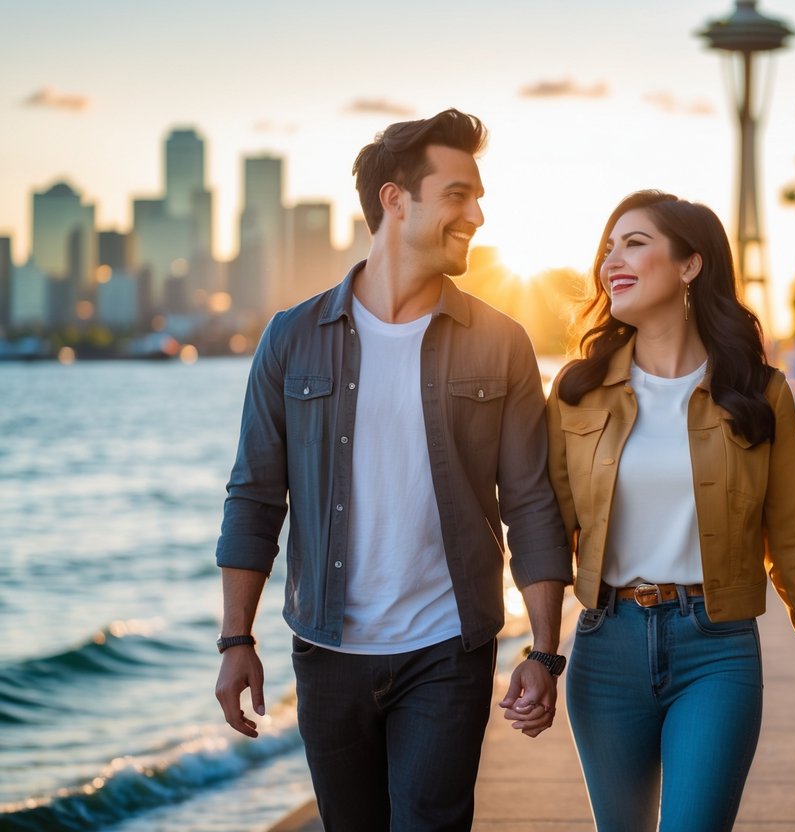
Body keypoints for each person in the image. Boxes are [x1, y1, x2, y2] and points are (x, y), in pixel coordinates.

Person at [214, 108, 572, 832]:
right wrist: (235, 640)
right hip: (326, 650)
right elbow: (255, 497)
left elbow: (531, 502)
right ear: (394, 200)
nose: (476, 212)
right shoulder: (292, 337)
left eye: (477, 196)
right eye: (457, 194)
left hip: (447, 650)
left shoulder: (500, 343)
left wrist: (543, 652)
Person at [543, 191, 795, 832]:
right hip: (604, 649)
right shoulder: (578, 392)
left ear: (690, 265)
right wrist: (539, 655)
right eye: (608, 246)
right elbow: (547, 532)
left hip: (716, 651)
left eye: (634, 243)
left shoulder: (759, 393)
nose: (613, 258)